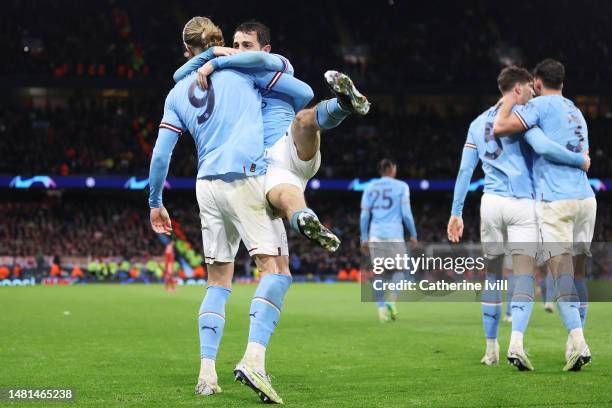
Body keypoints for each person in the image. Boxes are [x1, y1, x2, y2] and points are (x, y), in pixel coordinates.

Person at [148, 16, 311, 403]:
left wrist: (156, 203)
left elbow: (160, 155)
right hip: (246, 176)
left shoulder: (175, 94)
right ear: (221, 41)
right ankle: (254, 358)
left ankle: (206, 374)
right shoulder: (244, 71)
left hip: (206, 185)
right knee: (277, 270)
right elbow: (298, 87)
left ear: (187, 50)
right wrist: (226, 58)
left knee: (218, 281)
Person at [173, 20, 371, 252]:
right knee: (285, 199)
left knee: (302, 121)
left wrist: (214, 62)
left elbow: (305, 91)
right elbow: (179, 77)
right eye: (235, 44)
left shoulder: (274, 66)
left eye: (247, 45)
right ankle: (309, 221)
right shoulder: (234, 79)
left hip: (288, 143)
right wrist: (212, 52)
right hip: (266, 165)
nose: (238, 50)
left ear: (265, 48)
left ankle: (345, 104)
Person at [448, 66, 589, 370]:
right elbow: (544, 147)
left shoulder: (475, 124)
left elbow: (463, 171)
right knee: (525, 275)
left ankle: (490, 350)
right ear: (518, 88)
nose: (532, 92)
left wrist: (455, 212)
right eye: (528, 88)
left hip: (490, 203)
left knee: (493, 276)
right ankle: (517, 344)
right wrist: (580, 159)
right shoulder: (523, 118)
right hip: (523, 204)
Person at [493, 59, 596, 371]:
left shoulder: (534, 109)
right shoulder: (576, 111)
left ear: (536, 83)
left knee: (556, 274)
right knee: (577, 275)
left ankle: (578, 343)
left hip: (554, 202)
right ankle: (572, 344)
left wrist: (512, 101)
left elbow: (502, 128)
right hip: (586, 200)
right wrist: (581, 160)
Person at [360, 158, 417, 323]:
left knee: (378, 273)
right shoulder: (402, 186)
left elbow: (364, 215)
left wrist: (364, 237)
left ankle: (381, 309)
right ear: (392, 169)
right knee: (399, 271)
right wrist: (413, 234)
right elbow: (406, 213)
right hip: (395, 235)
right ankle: (391, 300)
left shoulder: (369, 188)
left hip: (376, 235)